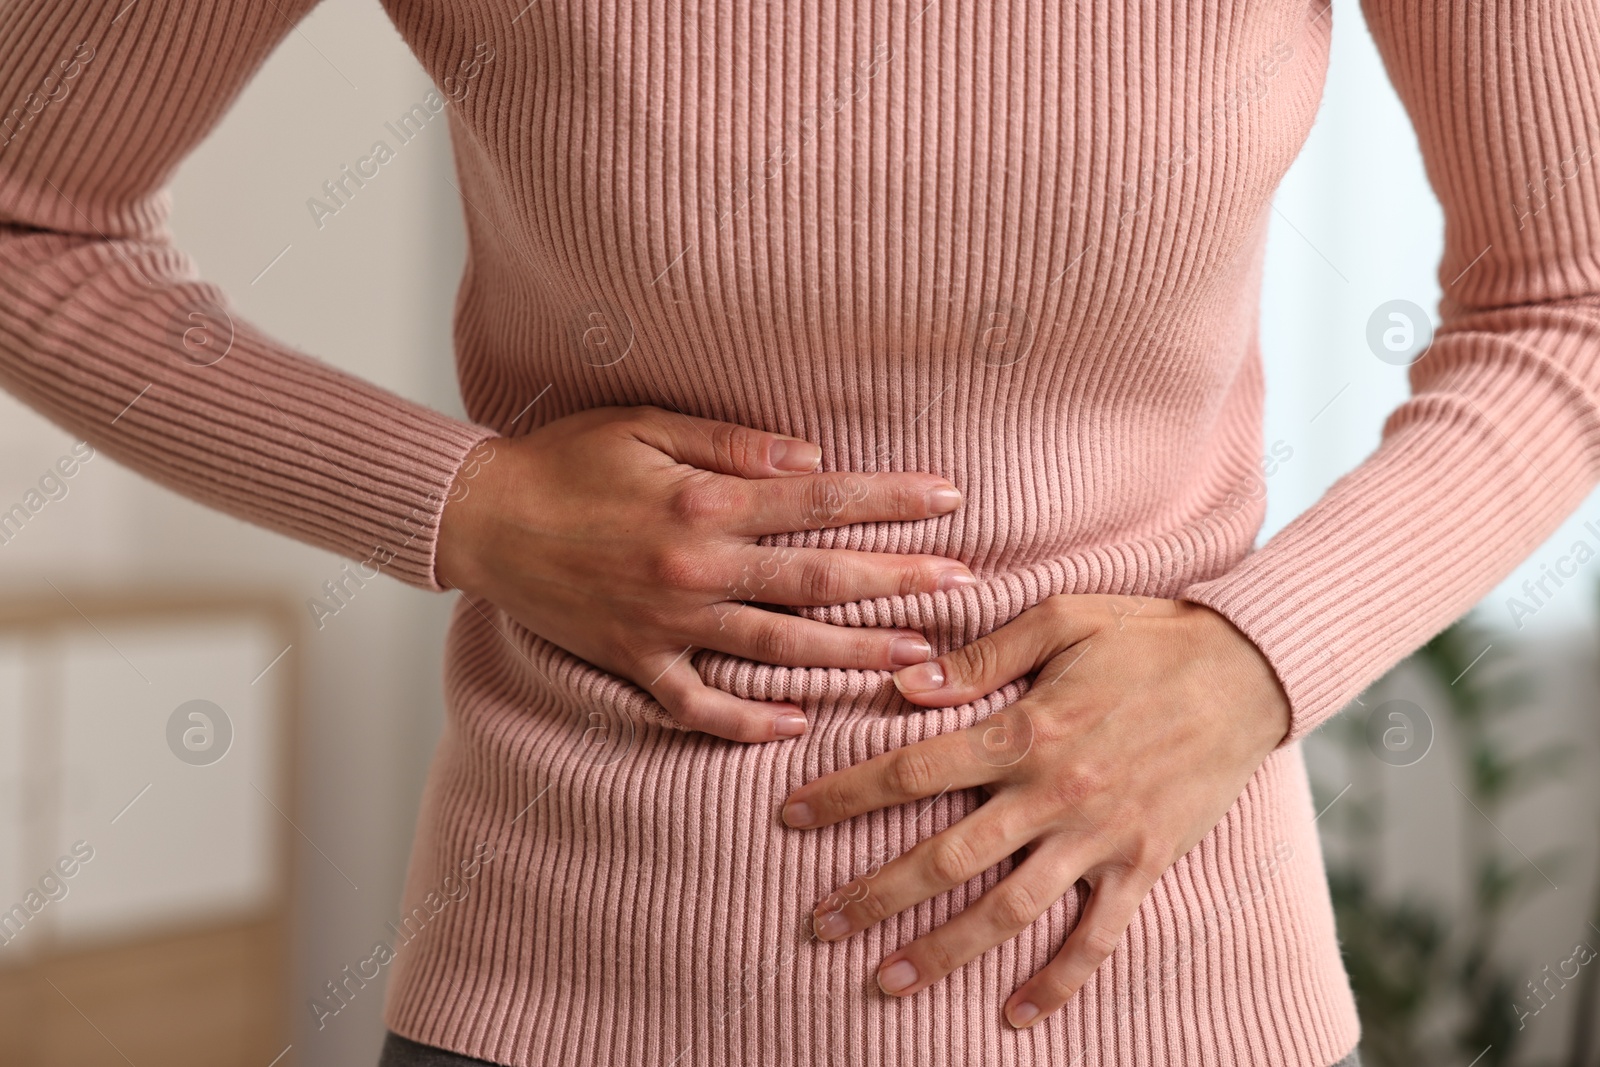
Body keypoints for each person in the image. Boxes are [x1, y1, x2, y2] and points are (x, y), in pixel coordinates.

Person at [3, 0, 1597, 1064]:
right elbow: (28, 215)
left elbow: (1569, 302)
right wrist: (465, 504)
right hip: (568, 991)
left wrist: (1264, 658)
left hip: (1162, 991)